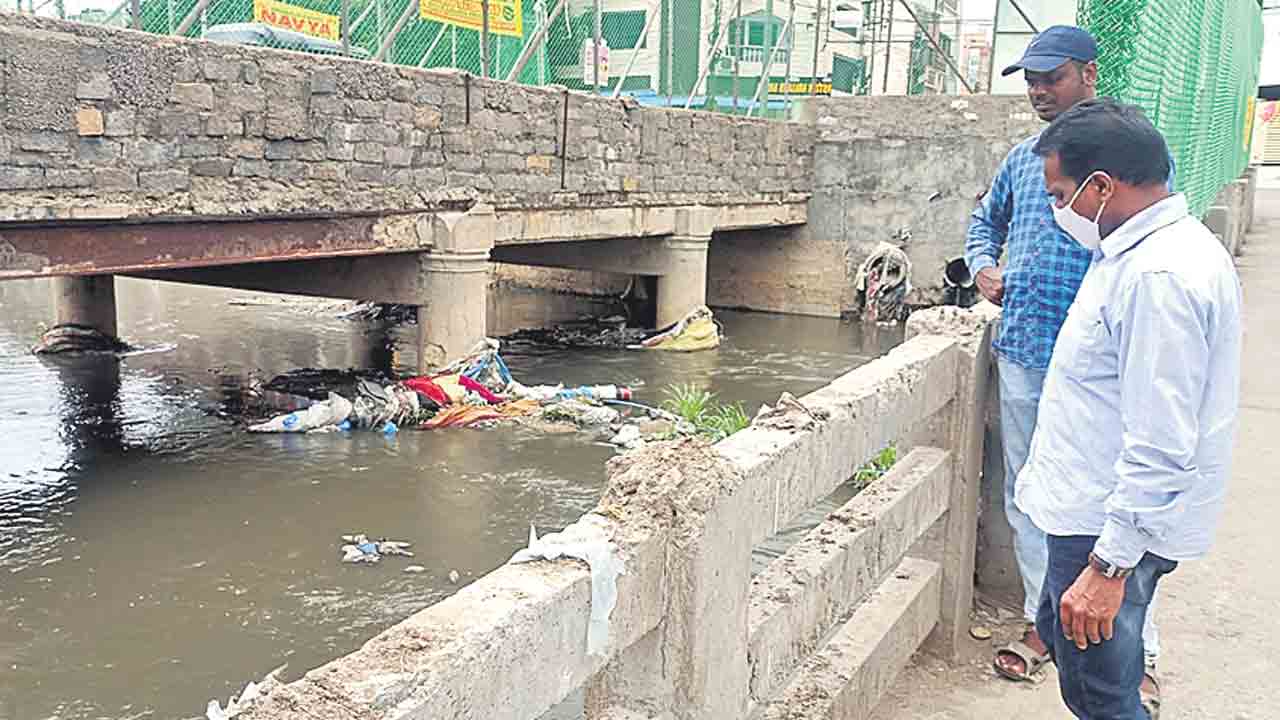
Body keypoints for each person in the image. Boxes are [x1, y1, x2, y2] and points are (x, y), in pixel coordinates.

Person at [964, 26, 1171, 701]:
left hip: (1104, 361)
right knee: (1034, 493)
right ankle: (1042, 621)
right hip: (1026, 347)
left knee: (1123, 498)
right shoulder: (1025, 158)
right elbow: (981, 223)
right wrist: (984, 266)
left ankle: (1132, 648)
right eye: (1029, 78)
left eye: (1050, 76)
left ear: (1087, 73)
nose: (1037, 90)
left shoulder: (1121, 157)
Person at [1018, 98, 1241, 720]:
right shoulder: (1143, 252)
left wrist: (1109, 567)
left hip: (1106, 525)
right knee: (1082, 666)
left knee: (1102, 696)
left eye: (1061, 195)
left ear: (1101, 186)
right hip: (1092, 513)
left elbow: (1163, 439)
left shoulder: (1158, 277)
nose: (1058, 209)